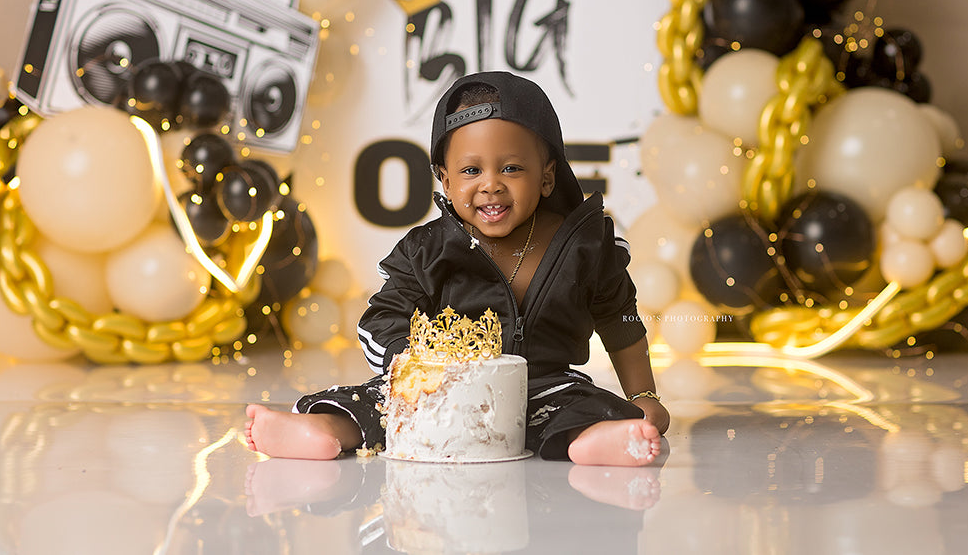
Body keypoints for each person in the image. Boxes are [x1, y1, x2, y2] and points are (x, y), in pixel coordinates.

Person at [245, 71, 669, 466]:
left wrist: (644, 394)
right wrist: (417, 366)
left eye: (511, 168)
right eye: (471, 170)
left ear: (546, 176)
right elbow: (381, 320)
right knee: (379, 401)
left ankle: (593, 440)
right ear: (446, 181)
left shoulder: (584, 247)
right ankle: (324, 429)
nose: (491, 184)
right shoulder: (428, 250)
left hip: (542, 386)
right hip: (439, 387)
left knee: (581, 404)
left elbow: (620, 320)